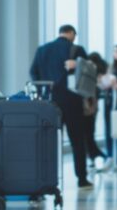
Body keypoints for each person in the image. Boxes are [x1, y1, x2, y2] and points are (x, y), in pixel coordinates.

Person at [29, 24, 92, 189]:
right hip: (72, 101)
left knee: (47, 142)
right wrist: (78, 65)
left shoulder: (42, 50)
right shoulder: (77, 50)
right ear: (71, 34)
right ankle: (82, 179)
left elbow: (33, 72)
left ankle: (43, 182)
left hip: (49, 101)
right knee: (77, 141)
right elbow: (89, 72)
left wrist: (44, 91)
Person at [85, 52, 109, 171]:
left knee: (87, 135)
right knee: (90, 133)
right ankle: (94, 157)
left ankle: (97, 156)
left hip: (88, 106)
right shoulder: (102, 69)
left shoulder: (89, 71)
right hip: (94, 106)